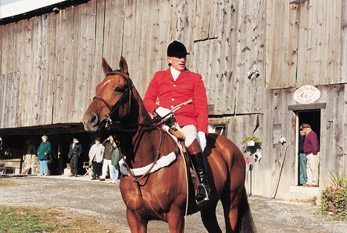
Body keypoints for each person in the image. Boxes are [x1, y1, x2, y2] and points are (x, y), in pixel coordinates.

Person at [143, 40, 210, 205]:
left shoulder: (195, 78)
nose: (182, 60)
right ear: (169, 59)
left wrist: (201, 131)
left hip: (186, 122)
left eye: (184, 57)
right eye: (178, 57)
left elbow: (201, 106)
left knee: (191, 144)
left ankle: (203, 185)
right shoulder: (159, 76)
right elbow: (147, 100)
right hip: (164, 122)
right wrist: (158, 109)